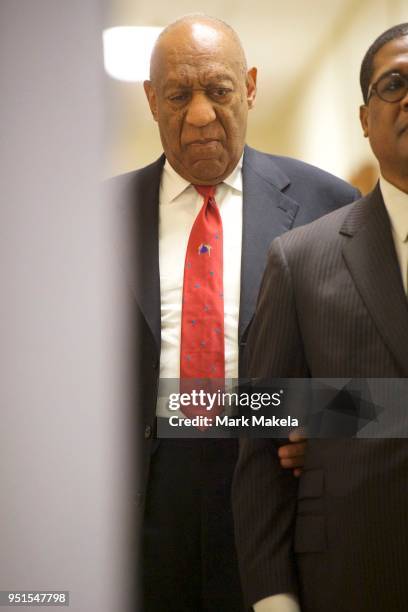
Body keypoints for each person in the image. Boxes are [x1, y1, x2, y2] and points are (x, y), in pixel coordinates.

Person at [112, 14, 360, 612]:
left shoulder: (331, 206)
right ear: (150, 100)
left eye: (219, 91)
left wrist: (321, 428)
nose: (199, 115)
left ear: (249, 86)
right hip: (140, 503)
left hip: (282, 499)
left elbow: (375, 372)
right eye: (178, 95)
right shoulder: (99, 217)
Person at [232, 23, 408, 612]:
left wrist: (340, 416)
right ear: (364, 118)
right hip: (354, 576)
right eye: (394, 84)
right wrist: (273, 598)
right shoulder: (301, 257)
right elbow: (260, 434)